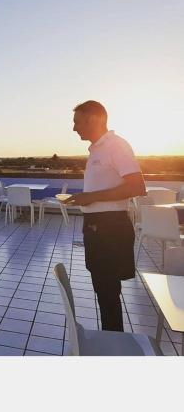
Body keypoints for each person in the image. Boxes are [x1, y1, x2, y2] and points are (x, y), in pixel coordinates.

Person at [64, 100, 146, 332]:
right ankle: (112, 340)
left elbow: (137, 186)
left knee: (108, 293)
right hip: (96, 227)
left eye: (77, 122)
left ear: (93, 119)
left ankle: (113, 345)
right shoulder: (98, 149)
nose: (74, 128)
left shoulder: (116, 146)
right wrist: (88, 197)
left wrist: (91, 198)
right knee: (104, 291)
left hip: (109, 229)